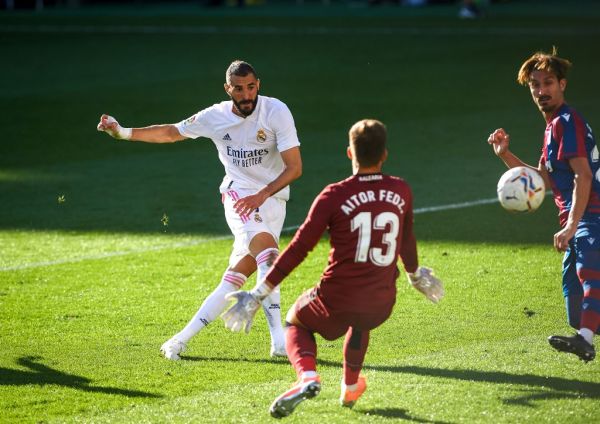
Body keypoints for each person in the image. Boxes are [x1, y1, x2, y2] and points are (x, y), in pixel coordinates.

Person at [222, 119, 444, 417]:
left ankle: (307, 376)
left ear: (350, 153)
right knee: (361, 319)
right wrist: (415, 274)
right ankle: (350, 387)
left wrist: (259, 293)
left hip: (337, 297)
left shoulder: (333, 195)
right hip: (382, 301)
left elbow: (299, 249)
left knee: (295, 321)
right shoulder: (401, 190)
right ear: (384, 155)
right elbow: (407, 237)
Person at [96, 60, 302, 360]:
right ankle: (278, 341)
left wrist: (264, 195)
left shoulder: (276, 111)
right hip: (239, 196)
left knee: (235, 276)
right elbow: (170, 132)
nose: (246, 95)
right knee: (269, 254)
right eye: (239, 89)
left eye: (251, 87)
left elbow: (295, 167)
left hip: (271, 198)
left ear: (258, 84)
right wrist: (122, 133)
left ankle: (179, 340)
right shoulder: (215, 116)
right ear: (227, 89)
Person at [487, 48, 600, 362]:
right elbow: (543, 180)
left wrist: (572, 225)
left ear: (562, 85)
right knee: (576, 312)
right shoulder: (552, 129)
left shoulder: (567, 121)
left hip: (592, 215)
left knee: (591, 276)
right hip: (577, 218)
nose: (541, 90)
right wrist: (505, 156)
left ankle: (585, 342)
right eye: (535, 85)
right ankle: (585, 332)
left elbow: (583, 176)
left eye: (548, 82)